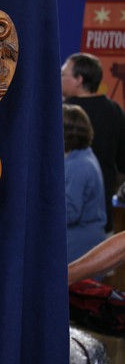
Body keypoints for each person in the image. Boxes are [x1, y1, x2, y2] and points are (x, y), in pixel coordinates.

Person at [61, 52, 125, 232]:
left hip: (68, 218)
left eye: (63, 74)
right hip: (102, 212)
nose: (59, 78)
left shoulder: (63, 114)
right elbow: (122, 164)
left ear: (78, 80)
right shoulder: (116, 111)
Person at [63, 104, 106, 264]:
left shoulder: (79, 165)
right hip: (85, 238)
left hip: (79, 245)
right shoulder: (83, 156)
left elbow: (70, 212)